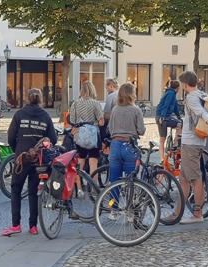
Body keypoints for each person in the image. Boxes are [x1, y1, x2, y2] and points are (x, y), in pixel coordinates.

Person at [3, 88, 57, 236]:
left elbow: (10, 137)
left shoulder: (19, 114)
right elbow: (53, 138)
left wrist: (18, 150)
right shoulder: (45, 116)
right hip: (38, 159)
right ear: (40, 99)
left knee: (16, 188)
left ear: (27, 98)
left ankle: (15, 224)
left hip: (22, 157)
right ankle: (33, 226)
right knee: (34, 191)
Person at [177, 70, 208, 224]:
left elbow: (202, 113)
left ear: (184, 83)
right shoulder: (202, 94)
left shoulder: (191, 97)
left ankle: (197, 214)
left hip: (191, 142)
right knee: (183, 177)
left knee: (196, 178)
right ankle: (178, 212)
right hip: (196, 141)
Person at [106, 83, 146, 216]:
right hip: (130, 146)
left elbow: (110, 129)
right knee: (132, 181)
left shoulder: (115, 110)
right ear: (130, 94)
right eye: (134, 92)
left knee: (114, 181)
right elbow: (141, 130)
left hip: (116, 145)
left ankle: (113, 209)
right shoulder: (136, 110)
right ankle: (130, 211)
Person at [68, 81, 104, 181]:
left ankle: (79, 188)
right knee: (93, 162)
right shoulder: (95, 103)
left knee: (80, 163)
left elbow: (72, 120)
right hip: (93, 136)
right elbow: (101, 122)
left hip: (80, 136)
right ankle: (93, 187)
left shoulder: (75, 103)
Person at [155, 80, 182, 162]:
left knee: (162, 139)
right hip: (164, 117)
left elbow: (174, 107)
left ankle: (162, 158)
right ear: (177, 88)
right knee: (180, 124)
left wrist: (178, 115)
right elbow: (167, 105)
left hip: (159, 116)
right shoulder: (171, 94)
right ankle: (176, 144)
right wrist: (163, 116)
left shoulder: (168, 92)